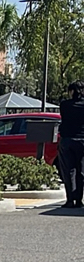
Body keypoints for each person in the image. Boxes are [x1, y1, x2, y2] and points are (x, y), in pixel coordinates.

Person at [58, 81, 84, 209]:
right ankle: (79, 200)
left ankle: (70, 200)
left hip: (67, 140)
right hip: (82, 141)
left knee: (68, 171)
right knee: (81, 171)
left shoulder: (64, 105)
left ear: (71, 91)